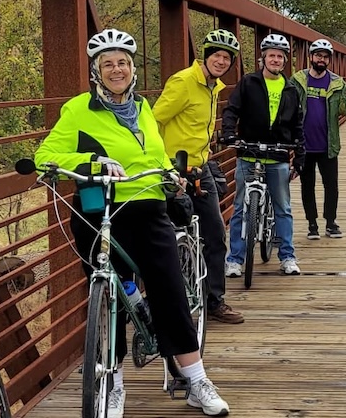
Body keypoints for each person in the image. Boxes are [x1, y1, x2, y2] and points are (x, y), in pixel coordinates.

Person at [34, 28, 229, 417]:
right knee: (110, 297)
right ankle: (113, 382)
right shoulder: (78, 110)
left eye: (122, 62)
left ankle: (195, 380)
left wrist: (169, 175)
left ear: (133, 68)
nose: (116, 69)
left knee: (169, 290)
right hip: (98, 210)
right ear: (96, 71)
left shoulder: (142, 108)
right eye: (107, 64)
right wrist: (91, 164)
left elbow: (154, 157)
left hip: (149, 208)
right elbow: (46, 155)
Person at [153, 29, 245, 325]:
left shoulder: (213, 86)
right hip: (173, 170)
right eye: (216, 55)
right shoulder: (183, 82)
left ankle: (214, 301)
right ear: (205, 56)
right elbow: (154, 120)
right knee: (168, 240)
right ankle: (163, 306)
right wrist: (160, 164)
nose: (221, 61)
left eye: (227, 58)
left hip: (201, 169)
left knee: (216, 235)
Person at [222, 33, 305, 276]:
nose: (275, 60)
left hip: (278, 155)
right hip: (248, 153)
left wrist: (299, 155)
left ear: (285, 60)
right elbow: (231, 110)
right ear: (263, 58)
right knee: (239, 208)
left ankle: (287, 256)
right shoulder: (248, 82)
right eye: (271, 55)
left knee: (283, 208)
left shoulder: (291, 89)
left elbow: (298, 126)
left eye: (280, 56)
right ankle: (235, 259)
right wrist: (228, 132)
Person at [290, 39, 346, 240]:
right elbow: (287, 105)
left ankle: (331, 222)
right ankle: (312, 224)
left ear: (329, 60)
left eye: (325, 57)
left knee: (331, 185)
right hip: (304, 145)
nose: (321, 59)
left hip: (328, 145)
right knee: (308, 186)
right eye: (318, 55)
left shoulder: (337, 82)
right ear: (311, 57)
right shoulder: (297, 80)